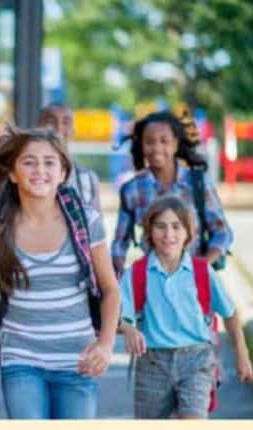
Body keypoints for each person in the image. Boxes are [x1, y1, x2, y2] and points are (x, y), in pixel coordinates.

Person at [0, 126, 120, 419]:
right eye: (29, 162)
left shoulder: (85, 220)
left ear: (62, 173)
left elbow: (110, 289)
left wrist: (106, 344)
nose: (40, 170)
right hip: (21, 359)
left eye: (49, 162)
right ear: (12, 173)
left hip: (78, 359)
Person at [118, 195, 253, 419]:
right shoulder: (136, 273)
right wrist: (129, 328)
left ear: (188, 233)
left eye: (176, 227)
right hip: (152, 363)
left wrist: (242, 354)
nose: (169, 234)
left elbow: (230, 313)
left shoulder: (201, 271)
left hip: (197, 360)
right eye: (160, 226)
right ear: (149, 232)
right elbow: (120, 317)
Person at [111, 110, 233, 277]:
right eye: (149, 142)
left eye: (164, 141)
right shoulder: (132, 189)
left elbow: (222, 233)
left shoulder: (198, 183)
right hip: (153, 283)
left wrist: (201, 268)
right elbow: (119, 244)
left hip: (195, 283)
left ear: (175, 144)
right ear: (141, 145)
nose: (157, 148)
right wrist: (121, 279)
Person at [37, 103, 102, 214]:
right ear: (38, 127)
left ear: (73, 130)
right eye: (51, 121)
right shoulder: (26, 175)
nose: (59, 127)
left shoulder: (87, 178)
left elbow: (96, 227)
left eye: (66, 122)